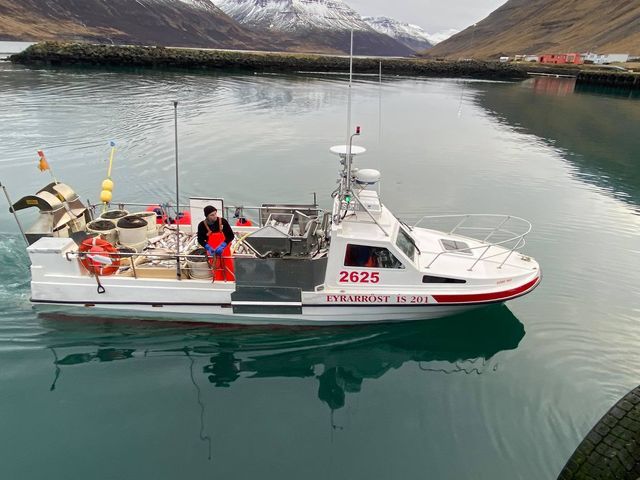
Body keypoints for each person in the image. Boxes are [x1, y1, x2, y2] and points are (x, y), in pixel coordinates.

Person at [197, 205, 235, 280]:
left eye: (215, 213)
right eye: (212, 215)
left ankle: (230, 281)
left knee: (228, 267)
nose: (215, 216)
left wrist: (223, 245)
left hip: (224, 250)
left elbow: (231, 236)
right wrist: (208, 247)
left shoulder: (223, 221)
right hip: (212, 252)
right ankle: (218, 282)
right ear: (207, 216)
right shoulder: (201, 225)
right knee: (216, 269)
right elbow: (200, 239)